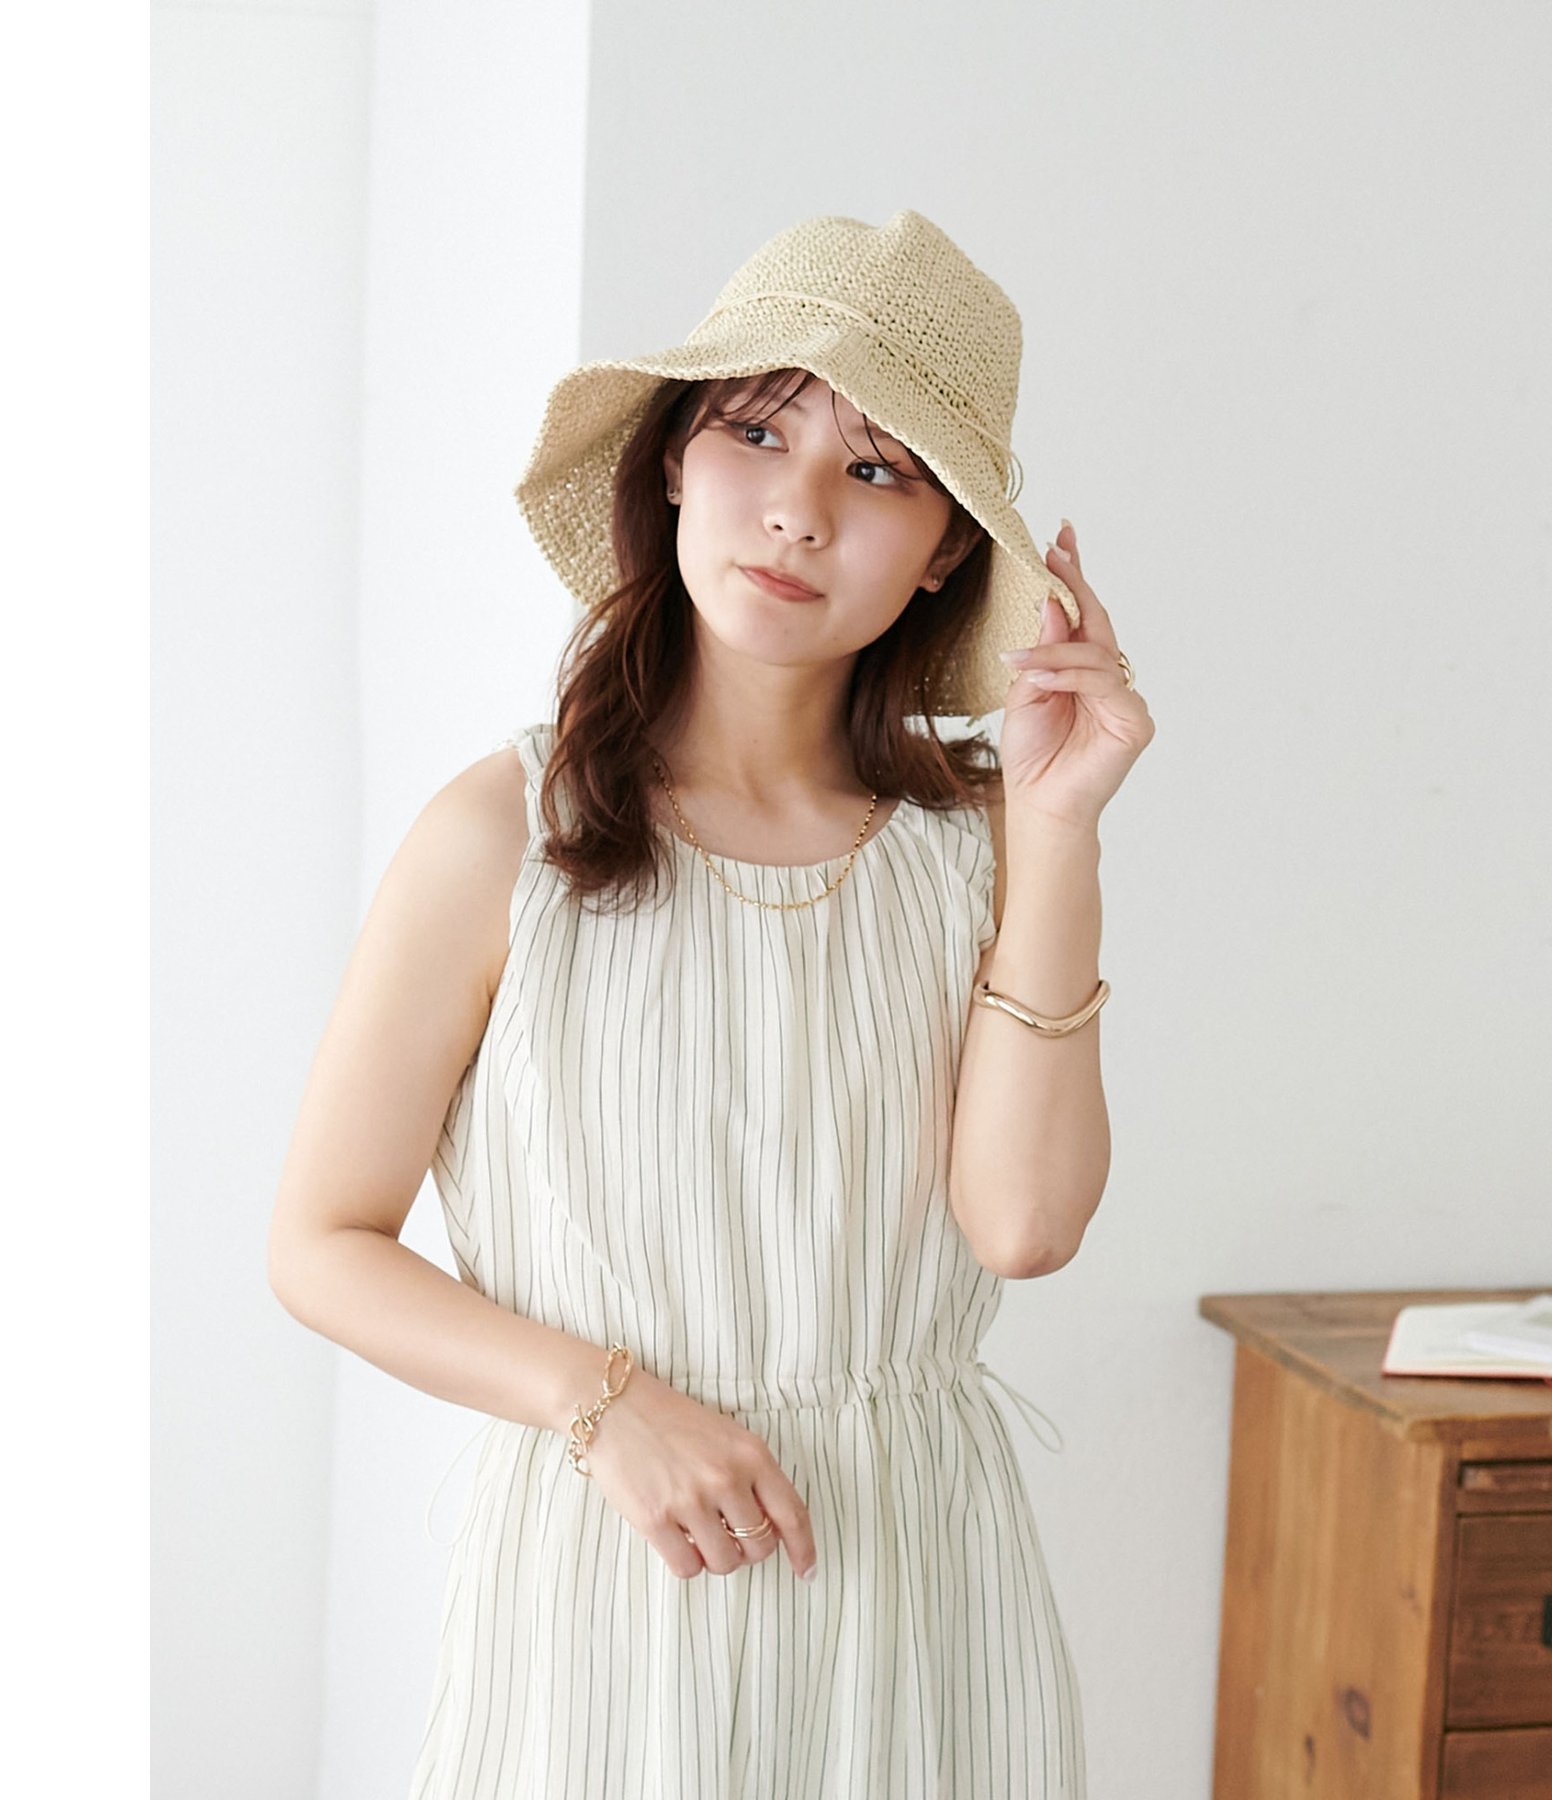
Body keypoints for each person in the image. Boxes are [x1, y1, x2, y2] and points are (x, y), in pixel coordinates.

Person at [267, 207, 1154, 1798]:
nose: (800, 510)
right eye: (758, 432)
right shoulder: (504, 837)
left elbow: (1023, 1228)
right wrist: (601, 1406)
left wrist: (1061, 827)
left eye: (878, 471)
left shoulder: (981, 846)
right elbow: (319, 1244)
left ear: (947, 549)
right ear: (676, 458)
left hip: (915, 1591)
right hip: (615, 1587)